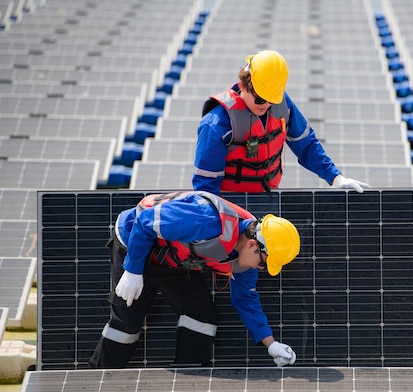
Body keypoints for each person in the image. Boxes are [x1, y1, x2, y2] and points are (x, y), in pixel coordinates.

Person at [88, 190, 300, 369]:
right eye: (264, 263)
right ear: (253, 245)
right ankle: (100, 379)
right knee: (125, 325)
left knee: (202, 316)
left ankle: (187, 381)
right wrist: (133, 270)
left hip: (174, 262)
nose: (261, 268)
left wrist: (270, 344)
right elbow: (145, 222)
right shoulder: (206, 220)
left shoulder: (246, 261)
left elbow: (246, 301)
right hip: (136, 245)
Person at [193, 49, 371, 195]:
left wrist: (336, 178)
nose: (267, 105)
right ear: (243, 86)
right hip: (231, 207)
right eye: (261, 99)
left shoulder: (282, 105)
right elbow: (206, 189)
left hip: (269, 199)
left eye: (272, 99)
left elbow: (306, 145)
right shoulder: (216, 124)